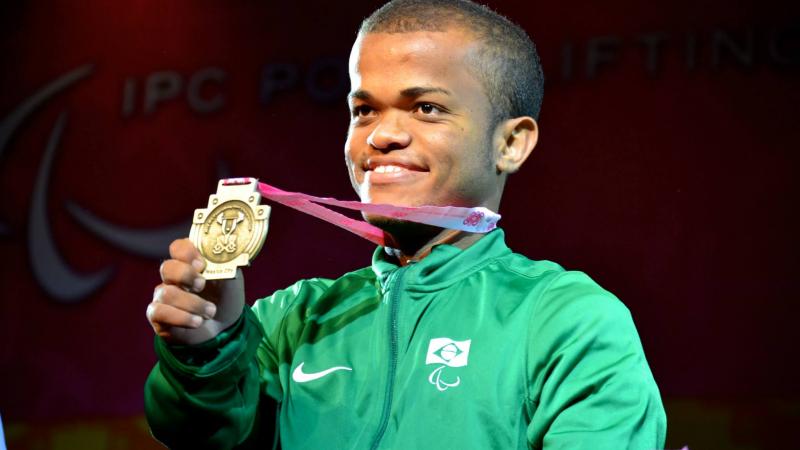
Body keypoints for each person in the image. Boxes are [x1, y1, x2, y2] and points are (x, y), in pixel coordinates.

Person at [144, 1, 667, 448]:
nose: (382, 135)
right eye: (364, 110)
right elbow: (201, 436)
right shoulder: (291, 321)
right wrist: (206, 352)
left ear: (510, 143)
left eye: (426, 107)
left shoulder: (566, 320)